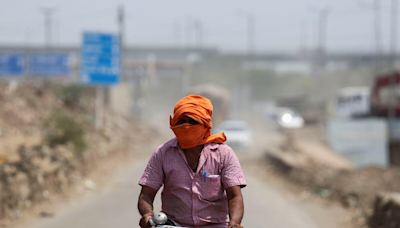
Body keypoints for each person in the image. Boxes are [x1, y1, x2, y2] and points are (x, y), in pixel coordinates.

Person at [138, 95, 246, 228]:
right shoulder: (162, 153)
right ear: (174, 124)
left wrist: (234, 223)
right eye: (182, 122)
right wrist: (148, 215)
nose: (186, 126)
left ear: (205, 124)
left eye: (192, 121)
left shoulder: (224, 154)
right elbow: (146, 194)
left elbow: (234, 196)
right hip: (173, 225)